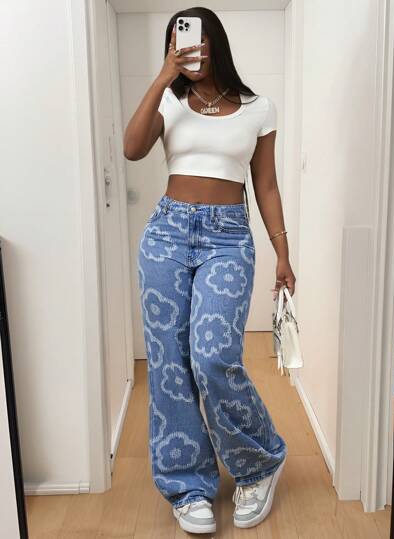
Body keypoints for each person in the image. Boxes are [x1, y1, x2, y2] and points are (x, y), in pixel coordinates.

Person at [123, 6, 296, 534]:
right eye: (178, 41)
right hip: (166, 236)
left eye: (197, 40)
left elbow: (266, 184)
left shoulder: (258, 108)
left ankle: (259, 463)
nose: (189, 49)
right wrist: (163, 76)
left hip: (228, 237)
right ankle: (188, 485)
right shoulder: (168, 100)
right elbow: (131, 149)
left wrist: (283, 252)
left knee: (214, 356)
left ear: (214, 41)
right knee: (169, 365)